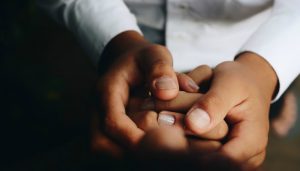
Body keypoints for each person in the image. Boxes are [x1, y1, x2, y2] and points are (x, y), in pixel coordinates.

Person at [38, 0, 300, 169]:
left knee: (258, 108)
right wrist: (116, 43)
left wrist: (264, 69)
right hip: (114, 32)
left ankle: (276, 106)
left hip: (251, 40)